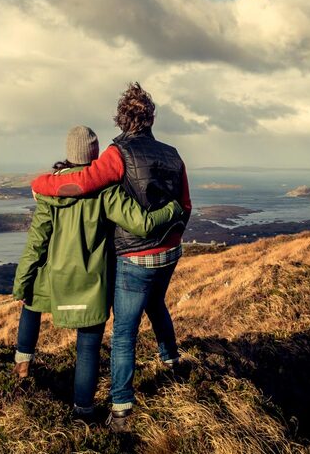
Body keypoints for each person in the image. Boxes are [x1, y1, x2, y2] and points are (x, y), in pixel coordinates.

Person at [30, 84, 191, 430]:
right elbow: (185, 204)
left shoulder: (118, 154)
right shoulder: (173, 154)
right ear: (150, 119)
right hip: (170, 251)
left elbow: (83, 183)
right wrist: (172, 236)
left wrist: (41, 184)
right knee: (156, 302)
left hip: (135, 256)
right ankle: (172, 361)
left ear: (121, 119)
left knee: (123, 334)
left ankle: (121, 410)